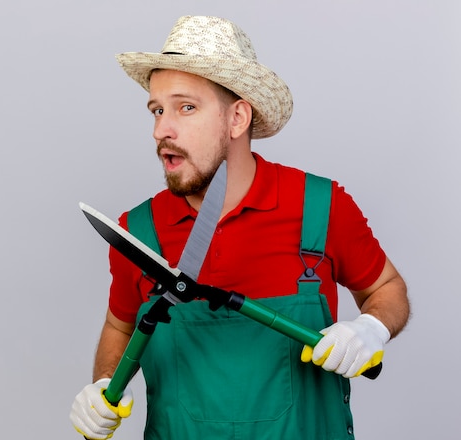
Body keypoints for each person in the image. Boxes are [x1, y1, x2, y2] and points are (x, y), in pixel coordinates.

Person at [70, 15, 410, 439]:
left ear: (238, 119)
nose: (162, 129)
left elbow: (387, 289)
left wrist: (371, 327)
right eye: (157, 110)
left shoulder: (320, 208)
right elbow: (121, 325)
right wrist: (104, 384)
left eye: (186, 107)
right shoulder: (138, 231)